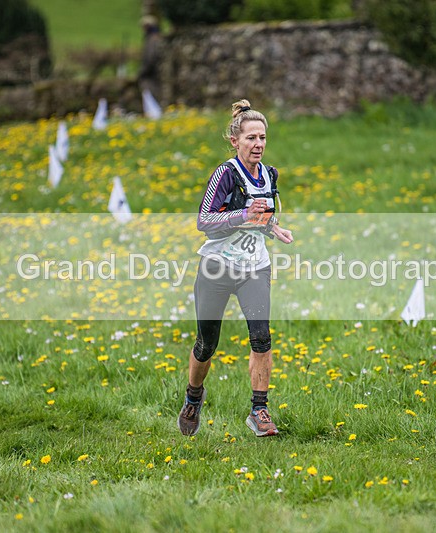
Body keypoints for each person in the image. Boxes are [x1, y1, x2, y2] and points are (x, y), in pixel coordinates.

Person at [177, 99, 294, 438]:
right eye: (251, 138)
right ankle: (193, 397)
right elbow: (204, 221)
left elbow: (261, 215)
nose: (258, 144)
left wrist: (273, 228)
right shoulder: (225, 174)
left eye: (262, 138)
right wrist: (243, 215)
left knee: (262, 337)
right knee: (206, 344)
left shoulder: (269, 174)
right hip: (217, 267)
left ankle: (259, 411)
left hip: (254, 268)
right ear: (235, 140)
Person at [137, 15, 162, 102]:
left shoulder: (152, 40)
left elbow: (150, 58)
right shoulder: (155, 38)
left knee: (150, 97)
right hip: (155, 74)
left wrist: (142, 72)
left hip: (151, 75)